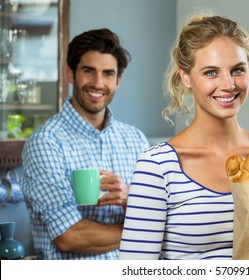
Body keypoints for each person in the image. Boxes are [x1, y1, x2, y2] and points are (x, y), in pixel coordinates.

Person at [119, 14, 249, 260]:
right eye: (211, 72)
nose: (228, 84)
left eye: (237, 70)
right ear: (186, 77)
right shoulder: (157, 168)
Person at [21, 28, 150, 259]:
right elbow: (69, 236)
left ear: (118, 80)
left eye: (108, 74)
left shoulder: (136, 140)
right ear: (71, 73)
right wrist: (142, 233)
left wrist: (130, 197)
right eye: (89, 71)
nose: (98, 83)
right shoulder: (46, 142)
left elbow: (158, 214)